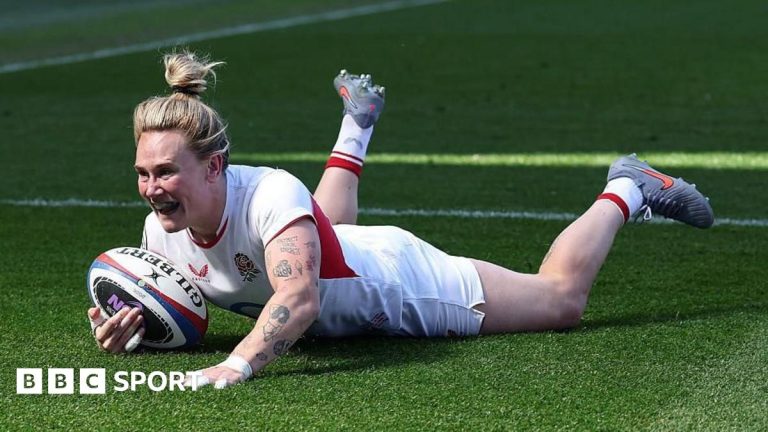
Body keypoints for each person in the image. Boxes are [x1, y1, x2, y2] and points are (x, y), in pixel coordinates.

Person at [87, 51, 714, 389]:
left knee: (560, 303)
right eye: (143, 173)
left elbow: (299, 298)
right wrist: (131, 323)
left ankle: (627, 188)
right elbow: (181, 309)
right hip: (341, 258)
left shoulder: (268, 194)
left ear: (214, 167)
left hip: (396, 283)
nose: (151, 189)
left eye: (166, 172)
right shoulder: (158, 232)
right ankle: (356, 123)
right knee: (316, 236)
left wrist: (238, 364)